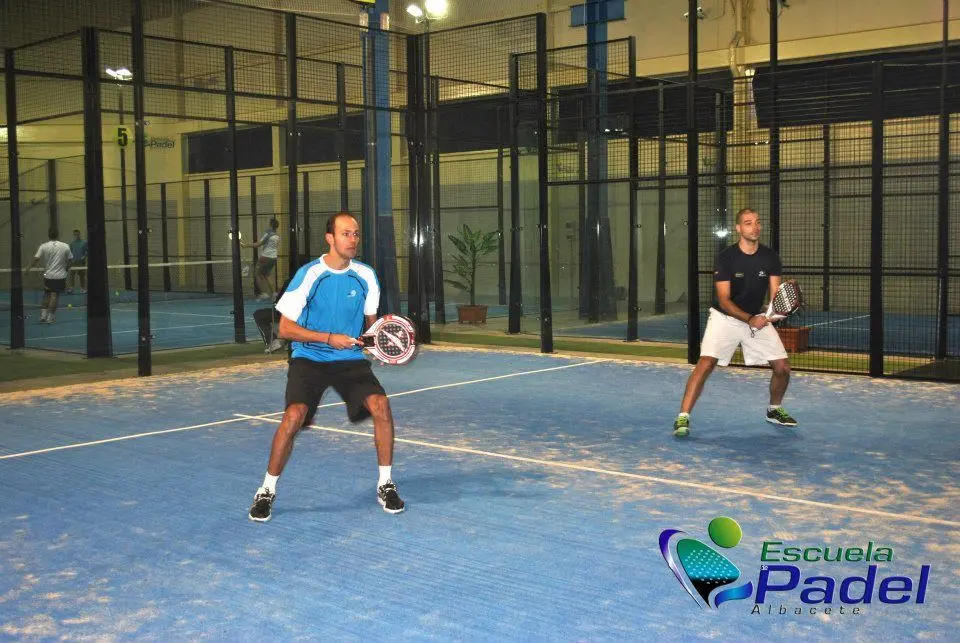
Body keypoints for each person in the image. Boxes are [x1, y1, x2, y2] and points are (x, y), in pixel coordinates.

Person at [248, 212, 404, 522]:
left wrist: (378, 345)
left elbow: (372, 328)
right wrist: (328, 338)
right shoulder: (308, 275)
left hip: (349, 361)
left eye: (356, 234)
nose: (353, 240)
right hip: (310, 359)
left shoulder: (366, 275)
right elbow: (285, 329)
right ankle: (266, 489)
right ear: (330, 238)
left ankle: (385, 483)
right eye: (346, 234)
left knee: (381, 406)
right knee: (294, 416)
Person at [673, 208, 797, 437]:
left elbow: (774, 297)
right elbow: (724, 299)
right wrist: (750, 319)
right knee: (706, 363)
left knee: (783, 368)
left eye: (758, 222)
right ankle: (683, 417)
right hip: (725, 319)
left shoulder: (770, 257)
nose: (755, 226)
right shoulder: (726, 258)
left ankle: (774, 410)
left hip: (756, 319)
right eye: (748, 223)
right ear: (739, 229)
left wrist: (775, 312)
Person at [25, 228, 73, 324]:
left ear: (48, 235)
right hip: (59, 276)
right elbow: (71, 259)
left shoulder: (43, 246)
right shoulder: (65, 246)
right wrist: (66, 269)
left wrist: (28, 268)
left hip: (48, 275)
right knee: (54, 295)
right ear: (58, 234)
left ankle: (43, 316)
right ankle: (50, 318)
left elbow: (36, 258)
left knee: (46, 295)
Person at [242, 217, 280, 301]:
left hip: (265, 258)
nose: (267, 224)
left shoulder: (268, 234)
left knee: (257, 274)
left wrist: (246, 246)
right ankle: (274, 294)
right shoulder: (277, 236)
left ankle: (264, 293)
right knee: (267, 275)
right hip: (273, 258)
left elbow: (258, 244)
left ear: (270, 225)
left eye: (269, 222)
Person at [66, 229, 88, 294]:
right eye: (75, 235)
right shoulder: (72, 244)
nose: (76, 236)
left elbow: (87, 252)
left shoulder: (84, 243)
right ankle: (71, 288)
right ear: (73, 235)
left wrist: (84, 257)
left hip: (81, 262)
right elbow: (70, 253)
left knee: (82, 275)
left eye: (77, 234)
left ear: (79, 234)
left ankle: (83, 288)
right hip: (73, 262)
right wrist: (69, 261)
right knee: (72, 275)